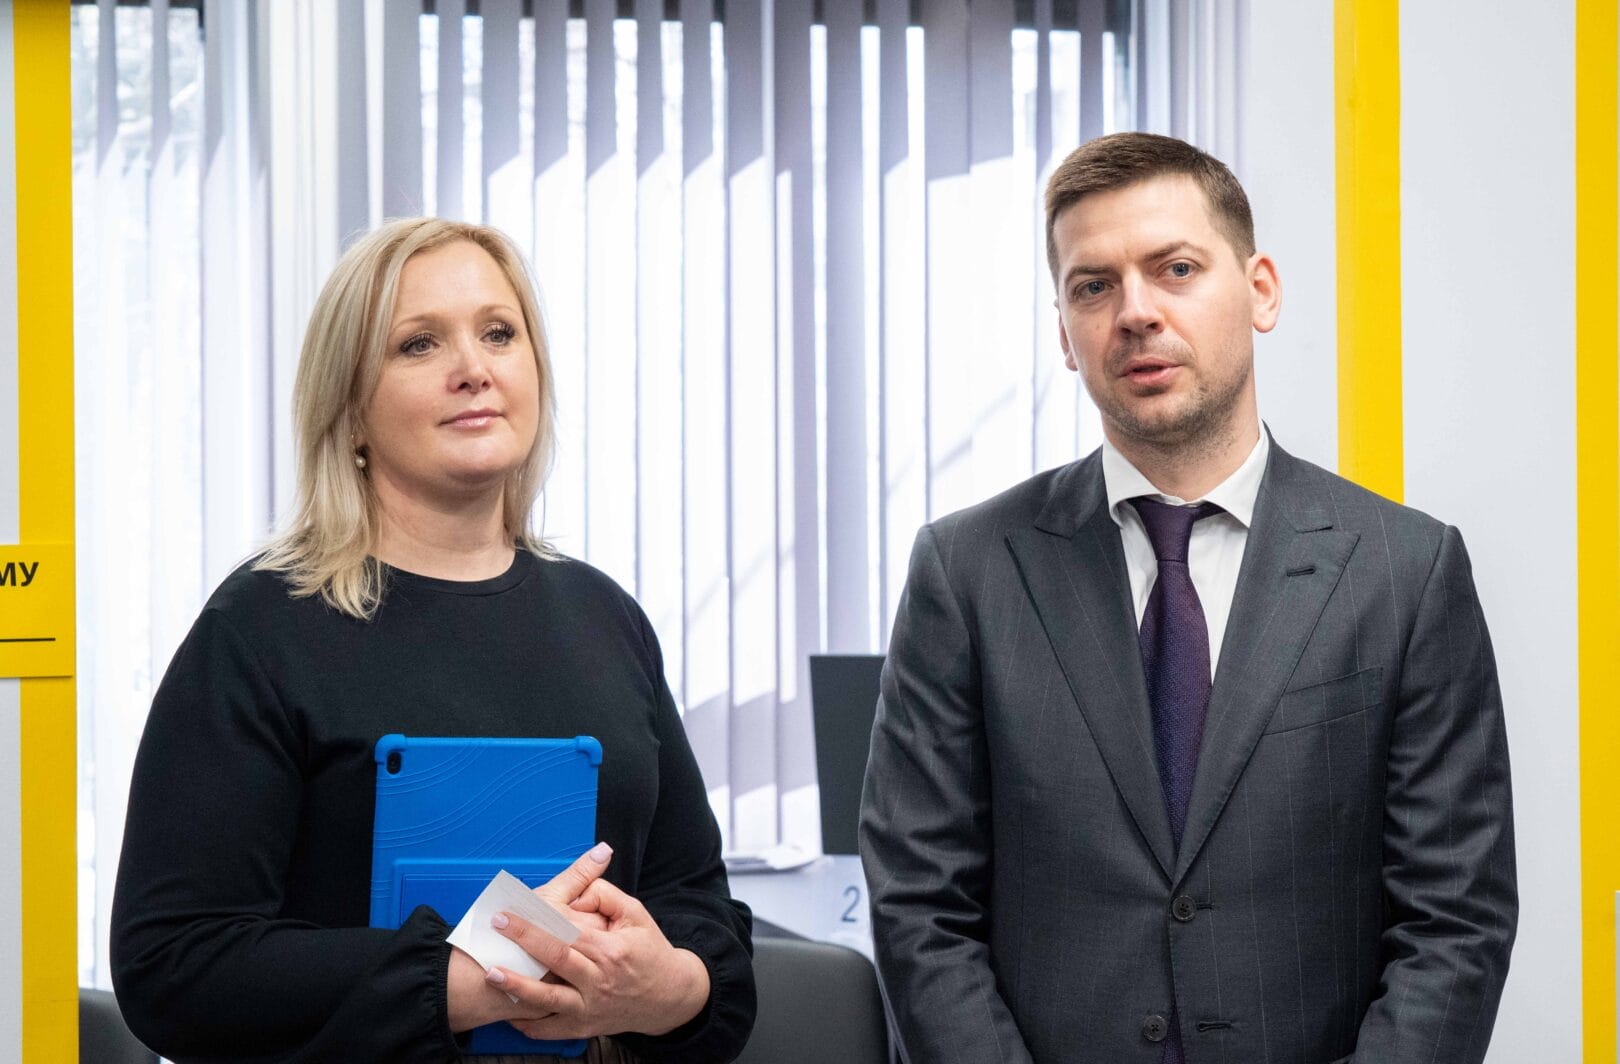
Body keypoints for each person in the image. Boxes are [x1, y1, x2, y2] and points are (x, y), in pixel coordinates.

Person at [859, 132, 1516, 1064]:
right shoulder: (966, 572)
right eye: (1094, 286)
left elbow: (1455, 921)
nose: (1135, 312)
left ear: (1260, 291)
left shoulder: (1405, 571)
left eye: (1175, 269)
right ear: (1065, 335)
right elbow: (919, 908)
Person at [111, 218, 755, 1063]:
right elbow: (174, 965)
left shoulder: (605, 617)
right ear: (349, 410)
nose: (474, 369)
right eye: (419, 344)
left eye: (500, 333)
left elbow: (699, 907)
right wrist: (465, 979)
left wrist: (674, 987)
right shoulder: (260, 629)